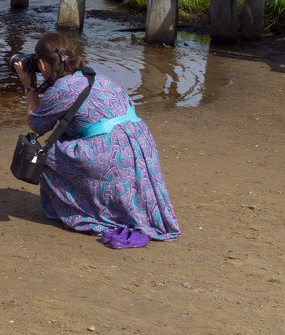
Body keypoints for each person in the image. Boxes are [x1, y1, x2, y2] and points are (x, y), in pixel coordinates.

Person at [13, 31, 180, 244]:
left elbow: (37, 124)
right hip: (140, 144)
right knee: (70, 142)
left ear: (43, 65)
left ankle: (84, 211)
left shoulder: (63, 89)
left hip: (112, 151)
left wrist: (28, 84)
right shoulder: (95, 75)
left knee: (45, 157)